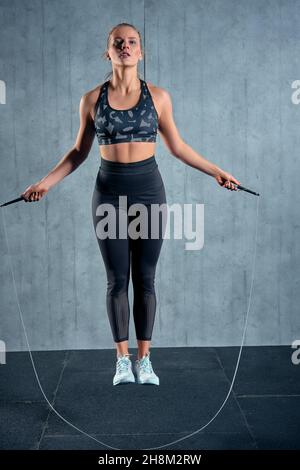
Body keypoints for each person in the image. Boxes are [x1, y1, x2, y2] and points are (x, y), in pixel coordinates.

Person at [21, 22, 241, 387]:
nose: (125, 46)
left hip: (149, 191)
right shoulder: (91, 99)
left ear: (141, 52)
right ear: (107, 52)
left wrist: (216, 171)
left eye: (132, 42)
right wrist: (43, 184)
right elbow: (78, 153)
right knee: (117, 279)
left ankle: (145, 360)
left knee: (146, 279)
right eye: (117, 43)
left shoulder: (160, 97)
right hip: (108, 194)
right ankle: (122, 361)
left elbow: (178, 147)